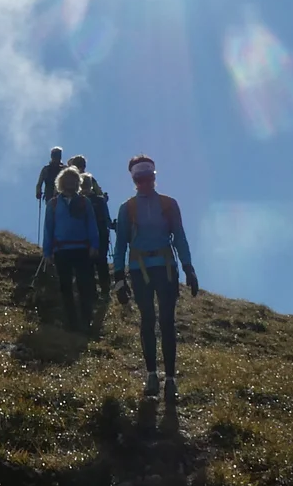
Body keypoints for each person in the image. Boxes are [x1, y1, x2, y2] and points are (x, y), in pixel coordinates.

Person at [111, 155, 198, 401]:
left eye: (147, 178)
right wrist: (119, 277)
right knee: (149, 320)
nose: (144, 183)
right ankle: (153, 375)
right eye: (140, 179)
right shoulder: (128, 209)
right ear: (135, 179)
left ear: (153, 177)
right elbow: (120, 245)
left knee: (165, 321)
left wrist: (189, 267)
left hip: (162, 268)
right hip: (145, 270)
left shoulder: (168, 205)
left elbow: (179, 236)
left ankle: (168, 379)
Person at [41, 165, 101, 331]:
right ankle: (72, 322)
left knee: (84, 285)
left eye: (74, 179)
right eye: (67, 179)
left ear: (78, 182)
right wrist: (47, 252)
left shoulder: (84, 202)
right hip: (62, 251)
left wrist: (94, 245)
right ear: (61, 182)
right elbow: (48, 229)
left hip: (82, 249)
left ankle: (86, 320)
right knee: (65, 286)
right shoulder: (53, 204)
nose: (71, 182)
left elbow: (91, 225)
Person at [70, 155, 113, 293]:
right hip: (101, 231)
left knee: (87, 262)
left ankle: (91, 291)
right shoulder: (97, 197)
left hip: (84, 233)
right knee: (101, 260)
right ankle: (105, 289)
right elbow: (104, 207)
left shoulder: (73, 189)